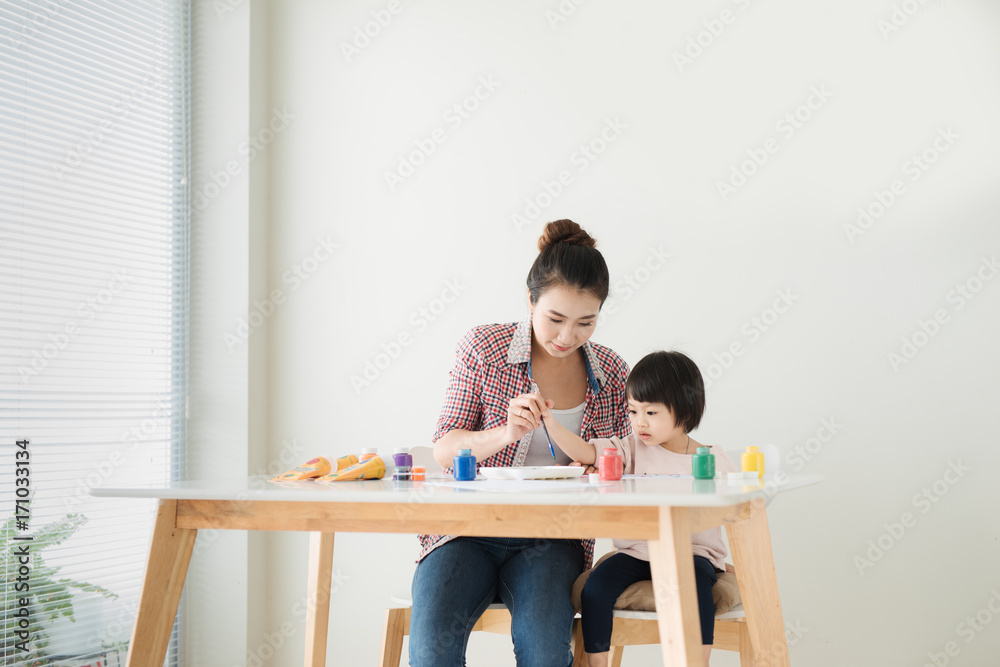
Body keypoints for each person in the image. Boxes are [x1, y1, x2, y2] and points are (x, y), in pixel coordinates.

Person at [409, 219, 631, 667]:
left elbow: (619, 465)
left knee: (547, 652)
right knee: (432, 651)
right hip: (464, 531)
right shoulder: (484, 348)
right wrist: (504, 434)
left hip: (551, 539)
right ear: (529, 300)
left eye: (585, 322)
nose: (567, 337)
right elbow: (445, 449)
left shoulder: (610, 373)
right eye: (555, 319)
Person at [541, 350, 739, 667]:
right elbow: (587, 451)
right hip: (636, 551)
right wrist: (550, 424)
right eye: (633, 411)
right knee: (595, 589)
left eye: (651, 413)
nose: (639, 423)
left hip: (693, 554)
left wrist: (724, 562)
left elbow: (735, 508)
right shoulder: (629, 449)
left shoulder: (710, 459)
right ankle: (598, 662)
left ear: (685, 411)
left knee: (695, 590)